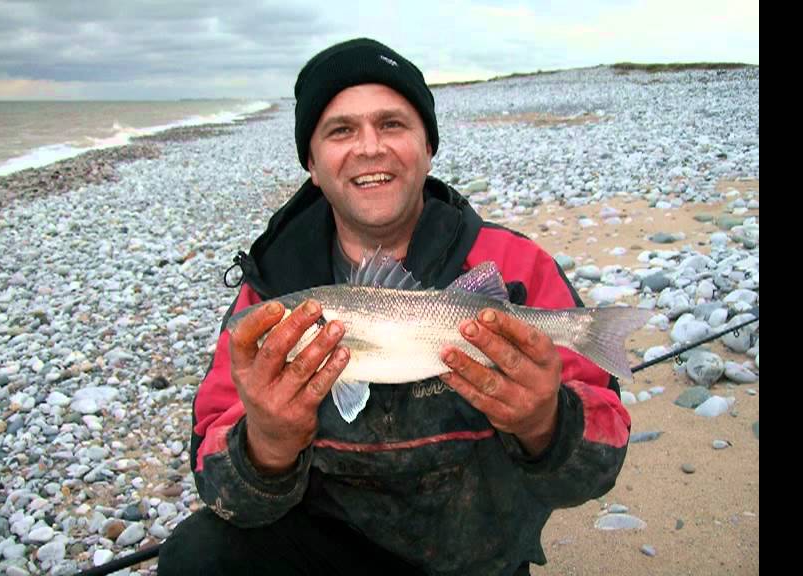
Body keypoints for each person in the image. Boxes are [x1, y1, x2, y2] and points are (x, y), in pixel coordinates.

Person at [159, 38, 630, 576]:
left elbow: (599, 465)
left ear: (428, 147)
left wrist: (546, 424)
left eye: (392, 124)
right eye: (340, 130)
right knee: (196, 556)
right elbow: (221, 486)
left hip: (479, 559)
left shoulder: (515, 267)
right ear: (312, 163)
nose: (369, 147)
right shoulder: (270, 291)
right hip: (327, 554)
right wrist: (266, 446)